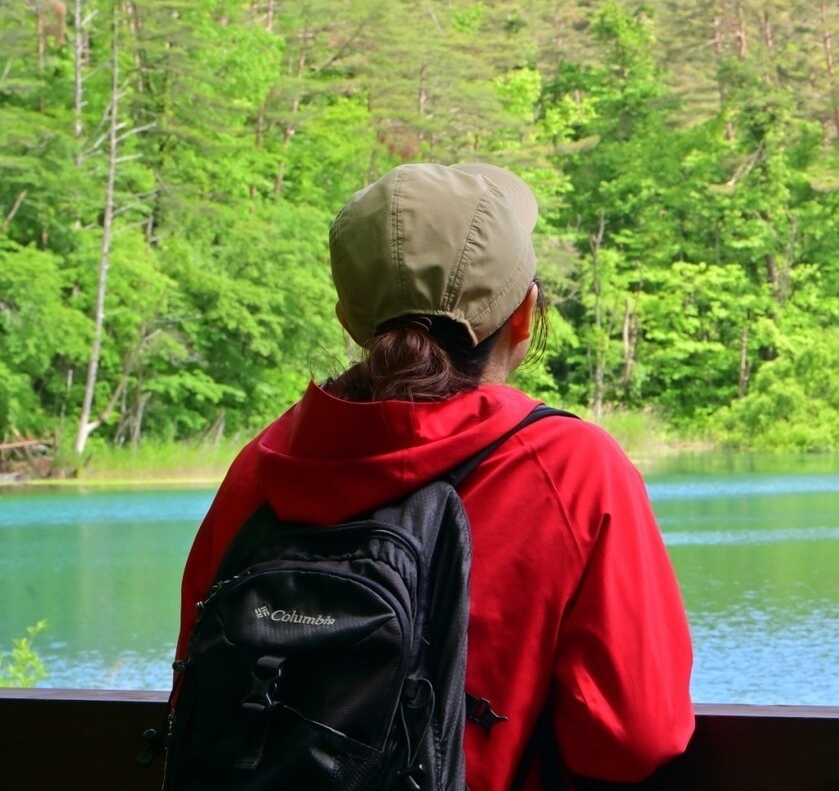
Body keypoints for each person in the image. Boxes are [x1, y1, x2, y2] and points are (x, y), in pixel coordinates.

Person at [173, 163, 694, 788]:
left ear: (349, 320)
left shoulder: (262, 468)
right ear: (526, 316)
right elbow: (635, 739)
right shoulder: (572, 469)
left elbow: (194, 700)